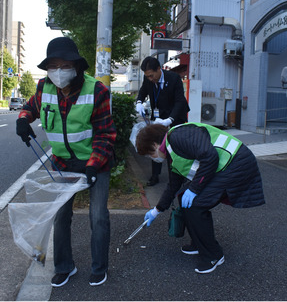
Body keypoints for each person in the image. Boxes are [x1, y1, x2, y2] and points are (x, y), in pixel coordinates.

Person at [16, 37, 116, 287]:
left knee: (98, 216)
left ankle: (99, 267)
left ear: (76, 67)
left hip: (96, 163)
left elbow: (105, 134)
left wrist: (93, 165)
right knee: (61, 216)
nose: (58, 72)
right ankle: (64, 267)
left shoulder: (97, 91)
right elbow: (30, 108)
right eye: (53, 66)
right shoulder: (44, 88)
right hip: (61, 164)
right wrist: (22, 119)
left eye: (64, 66)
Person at [136, 122, 265, 274]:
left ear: (155, 144)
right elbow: (173, 185)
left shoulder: (177, 136)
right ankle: (199, 243)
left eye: (151, 154)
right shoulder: (172, 153)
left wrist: (195, 188)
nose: (153, 158)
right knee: (184, 196)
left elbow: (209, 156)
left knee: (196, 204)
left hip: (236, 162)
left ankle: (213, 255)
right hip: (225, 165)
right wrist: (156, 210)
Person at [136, 56, 190, 186]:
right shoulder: (147, 78)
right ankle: (155, 176)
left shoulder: (174, 78)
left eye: (151, 75)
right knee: (155, 144)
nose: (150, 78)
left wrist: (170, 120)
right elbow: (143, 91)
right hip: (158, 115)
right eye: (147, 76)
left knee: (175, 146)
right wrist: (139, 102)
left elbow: (179, 102)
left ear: (159, 69)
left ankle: (177, 176)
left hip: (175, 116)